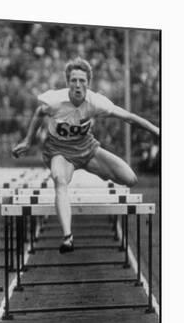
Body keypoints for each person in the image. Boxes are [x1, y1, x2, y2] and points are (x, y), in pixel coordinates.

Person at [12, 57, 159, 253]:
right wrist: (28, 140)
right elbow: (40, 112)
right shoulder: (55, 100)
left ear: (88, 84)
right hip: (59, 151)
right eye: (74, 80)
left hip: (87, 148)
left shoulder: (96, 102)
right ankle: (67, 237)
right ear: (68, 83)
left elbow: (129, 118)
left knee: (130, 179)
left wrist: (157, 131)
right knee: (59, 180)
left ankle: (100, 171)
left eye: (82, 81)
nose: (78, 85)